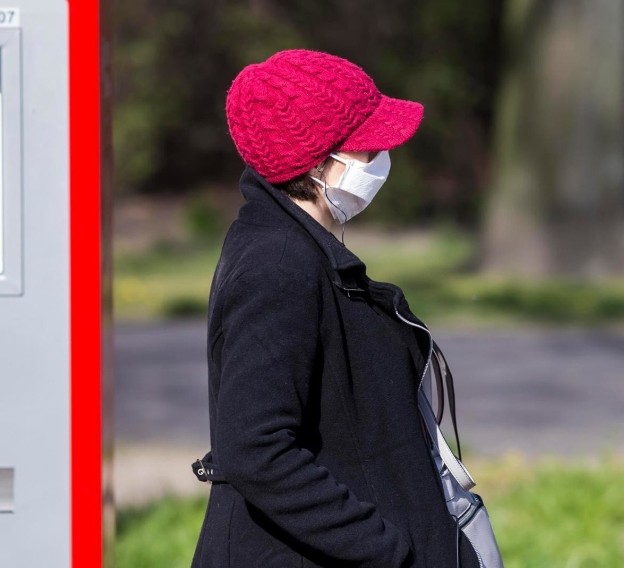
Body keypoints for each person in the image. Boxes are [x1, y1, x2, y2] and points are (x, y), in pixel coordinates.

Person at [190, 49, 482, 567]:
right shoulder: (277, 266)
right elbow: (256, 449)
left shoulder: (299, 250)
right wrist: (387, 549)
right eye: (370, 149)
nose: (383, 160)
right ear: (322, 162)